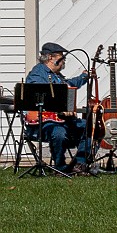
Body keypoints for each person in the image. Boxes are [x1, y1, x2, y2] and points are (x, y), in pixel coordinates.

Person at [25, 42, 91, 174]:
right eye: (61, 58)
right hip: (44, 122)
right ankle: (60, 167)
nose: (64, 61)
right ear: (51, 58)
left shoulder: (57, 76)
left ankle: (78, 163)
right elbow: (41, 94)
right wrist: (60, 107)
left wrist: (83, 77)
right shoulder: (37, 74)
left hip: (63, 120)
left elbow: (68, 85)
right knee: (58, 133)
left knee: (92, 127)